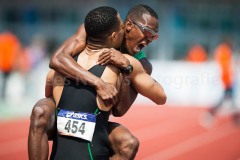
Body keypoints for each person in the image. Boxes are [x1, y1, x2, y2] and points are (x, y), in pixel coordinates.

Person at [28, 4, 165, 160]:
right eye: (148, 32)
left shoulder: (140, 64)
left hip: (96, 116)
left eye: (154, 36)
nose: (149, 40)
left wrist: (126, 69)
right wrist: (97, 83)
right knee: (41, 111)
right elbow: (57, 59)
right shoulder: (95, 28)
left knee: (128, 143)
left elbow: (119, 111)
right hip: (64, 106)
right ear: (127, 26)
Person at [0, 31, 22, 100]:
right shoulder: (13, 39)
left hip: (4, 64)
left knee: (5, 81)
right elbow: (16, 50)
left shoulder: (2, 38)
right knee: (8, 81)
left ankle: (4, 95)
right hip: (8, 64)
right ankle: (5, 95)